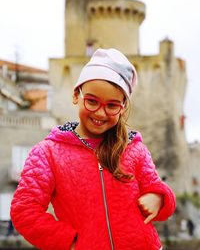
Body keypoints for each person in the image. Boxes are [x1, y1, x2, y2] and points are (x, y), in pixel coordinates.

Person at [11, 48, 176, 250]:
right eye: (92, 101)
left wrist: (160, 197)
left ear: (123, 106)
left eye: (112, 105)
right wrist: (70, 242)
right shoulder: (47, 153)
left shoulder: (135, 149)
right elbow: (24, 211)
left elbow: (156, 187)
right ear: (76, 95)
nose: (100, 112)